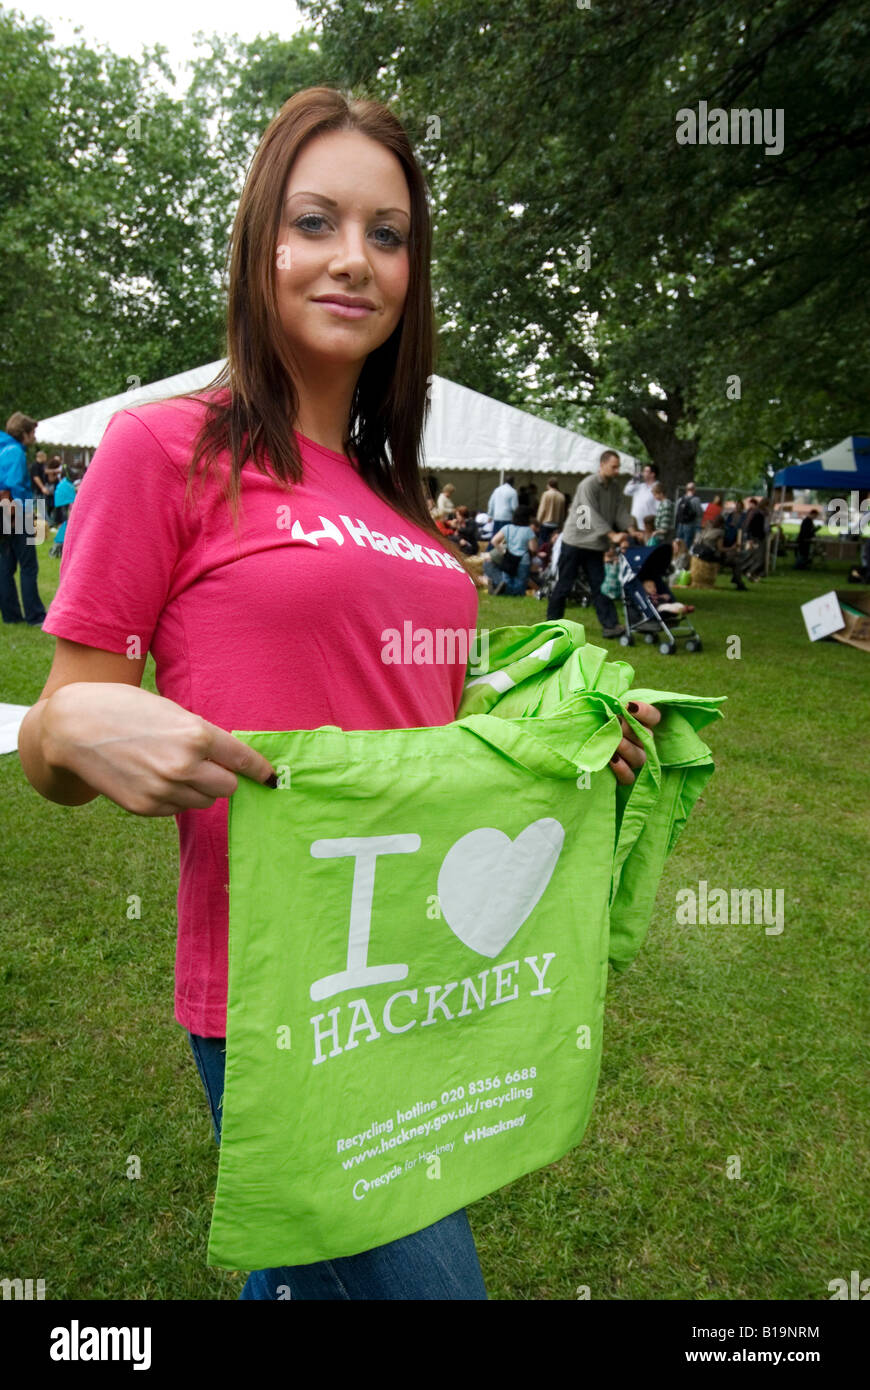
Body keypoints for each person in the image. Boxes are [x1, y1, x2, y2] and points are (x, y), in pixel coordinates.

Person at [18, 86, 665, 1301]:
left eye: (389, 234)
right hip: (286, 979)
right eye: (317, 221)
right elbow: (61, 739)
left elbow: (427, 730)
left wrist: (561, 746)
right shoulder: (167, 450)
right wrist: (66, 726)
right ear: (262, 241)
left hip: (434, 965)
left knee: (309, 1279)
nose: (353, 260)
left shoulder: (406, 505)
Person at [546, 449, 644, 637]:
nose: (617, 471)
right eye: (613, 467)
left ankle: (610, 626)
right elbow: (588, 513)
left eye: (618, 467)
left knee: (601, 585)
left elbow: (620, 511)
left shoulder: (614, 488)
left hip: (595, 546)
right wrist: (612, 535)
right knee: (564, 585)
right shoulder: (588, 485)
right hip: (574, 543)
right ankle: (551, 626)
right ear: (602, 465)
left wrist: (631, 529)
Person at [0, 411, 48, 627]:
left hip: (3, 512)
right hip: (18, 511)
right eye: (33, 432)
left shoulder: (2, 448)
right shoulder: (16, 452)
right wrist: (29, 512)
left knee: (5, 565)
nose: (34, 437)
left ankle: (10, 615)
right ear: (25, 432)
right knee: (28, 565)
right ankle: (35, 615)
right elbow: (16, 485)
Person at [483, 504, 537, 596]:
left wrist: (503, 552)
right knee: (520, 582)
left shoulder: (507, 527)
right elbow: (533, 548)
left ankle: (503, 591)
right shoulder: (528, 530)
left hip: (508, 557)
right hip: (523, 559)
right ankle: (515, 593)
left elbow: (494, 541)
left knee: (507, 579)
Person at [624, 461, 658, 532]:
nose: (643, 473)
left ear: (652, 474)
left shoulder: (657, 488)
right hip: (634, 526)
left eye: (646, 471)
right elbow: (626, 491)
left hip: (648, 527)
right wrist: (635, 479)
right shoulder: (639, 486)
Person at [486, 475, 518, 548]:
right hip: (507, 517)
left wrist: (490, 515)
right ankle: (503, 552)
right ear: (513, 482)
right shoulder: (513, 492)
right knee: (505, 538)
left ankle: (490, 552)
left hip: (497, 516)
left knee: (495, 536)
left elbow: (491, 503)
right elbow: (514, 507)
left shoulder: (497, 490)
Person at [536, 475, 566, 546]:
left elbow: (542, 510)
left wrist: (538, 522)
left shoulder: (546, 494)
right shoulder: (561, 496)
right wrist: (561, 525)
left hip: (545, 523)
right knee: (553, 544)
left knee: (542, 543)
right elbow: (562, 513)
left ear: (548, 484)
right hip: (556, 524)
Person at [675, 481, 703, 551]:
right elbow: (699, 513)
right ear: (694, 489)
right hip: (690, 525)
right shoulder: (696, 500)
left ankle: (677, 558)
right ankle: (685, 558)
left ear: (686, 489)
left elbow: (676, 513)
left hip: (680, 525)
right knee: (687, 544)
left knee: (678, 543)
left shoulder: (680, 499)